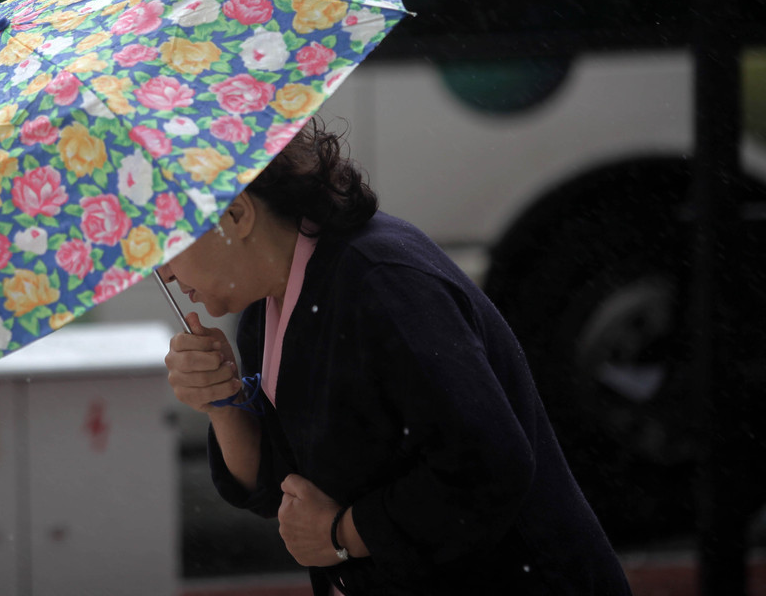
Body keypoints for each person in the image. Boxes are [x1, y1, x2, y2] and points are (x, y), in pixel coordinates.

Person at [160, 117, 631, 595]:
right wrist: (221, 401)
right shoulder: (268, 306)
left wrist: (341, 535)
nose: (166, 272)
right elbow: (283, 488)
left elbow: (489, 466)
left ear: (238, 214)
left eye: (167, 242)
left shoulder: (381, 281)